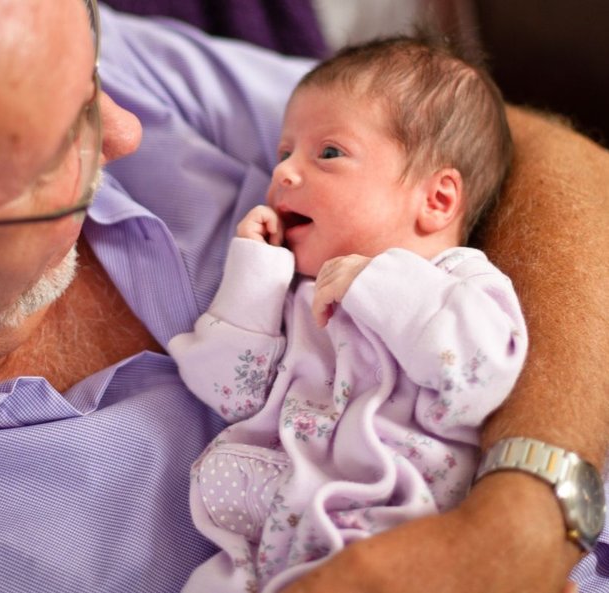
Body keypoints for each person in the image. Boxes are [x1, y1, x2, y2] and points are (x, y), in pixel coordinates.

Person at [0, 1, 605, 592]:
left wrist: (525, 514)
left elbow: (533, 159)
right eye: (57, 146)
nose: (123, 131)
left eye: (96, 76)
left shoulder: (17, 44)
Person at [167, 36, 527, 593]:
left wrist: (378, 282)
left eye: (328, 154)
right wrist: (254, 278)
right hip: (278, 546)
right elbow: (228, 393)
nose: (285, 173)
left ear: (437, 200)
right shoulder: (296, 295)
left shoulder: (460, 285)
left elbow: (476, 378)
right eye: (283, 154)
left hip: (413, 541)